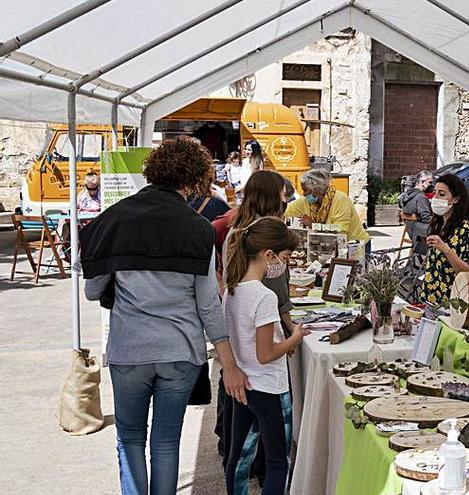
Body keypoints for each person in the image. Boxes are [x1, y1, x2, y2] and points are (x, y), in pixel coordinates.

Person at [79, 137, 250, 495]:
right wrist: (229, 363)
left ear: (153, 171)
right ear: (193, 181)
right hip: (180, 352)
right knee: (166, 443)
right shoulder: (199, 229)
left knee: (129, 439)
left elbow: (93, 291)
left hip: (129, 350)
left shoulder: (113, 220)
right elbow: (208, 306)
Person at [212, 170, 297, 471]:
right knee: (273, 456)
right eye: (283, 194)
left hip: (246, 356)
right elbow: (266, 351)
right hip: (263, 372)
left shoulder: (241, 233)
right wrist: (292, 332)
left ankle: (240, 460)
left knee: (239, 442)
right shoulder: (256, 243)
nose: (286, 199)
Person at [223, 217, 309, 495]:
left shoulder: (233, 289)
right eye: (285, 257)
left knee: (239, 457)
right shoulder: (264, 297)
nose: (285, 264)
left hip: (244, 386)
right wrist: (294, 337)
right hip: (269, 387)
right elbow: (266, 353)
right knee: (277, 462)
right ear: (269, 255)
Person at [416, 174, 469, 307]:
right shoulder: (440, 224)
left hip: (449, 303)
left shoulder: (464, 228)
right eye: (435, 193)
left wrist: (445, 249)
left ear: (455, 199)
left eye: (442, 194)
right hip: (430, 299)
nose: (436, 198)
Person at [285, 169, 370, 248]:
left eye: (306, 190)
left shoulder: (340, 199)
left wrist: (313, 225)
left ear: (316, 189)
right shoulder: (306, 201)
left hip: (355, 246)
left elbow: (341, 230)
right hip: (328, 246)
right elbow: (286, 210)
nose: (303, 194)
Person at [398, 170, 433, 240]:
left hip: (412, 232)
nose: (432, 185)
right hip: (421, 236)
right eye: (430, 182)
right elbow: (427, 218)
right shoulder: (420, 197)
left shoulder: (407, 194)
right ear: (421, 182)